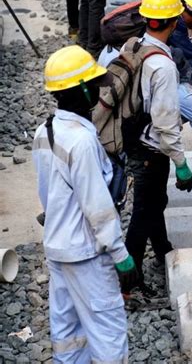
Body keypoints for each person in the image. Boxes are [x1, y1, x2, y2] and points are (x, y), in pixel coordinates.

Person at [32, 45, 138, 363]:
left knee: (68, 335)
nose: (97, 90)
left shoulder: (44, 132)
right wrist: (122, 256)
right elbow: (98, 207)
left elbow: (47, 195)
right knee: (107, 333)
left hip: (57, 249)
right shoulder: (82, 140)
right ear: (80, 89)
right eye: (93, 85)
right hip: (87, 254)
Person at [125, 0, 192, 295]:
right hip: (152, 148)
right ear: (174, 21)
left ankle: (162, 248)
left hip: (132, 139)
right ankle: (130, 278)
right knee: (144, 210)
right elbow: (166, 121)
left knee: (153, 204)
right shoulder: (163, 66)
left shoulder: (135, 46)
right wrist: (181, 162)